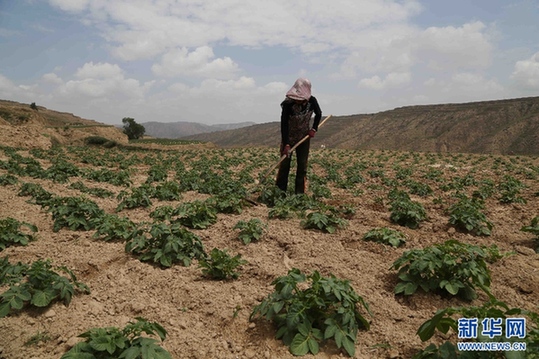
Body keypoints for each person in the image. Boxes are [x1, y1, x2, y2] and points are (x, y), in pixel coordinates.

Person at [276, 78, 322, 194]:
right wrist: (286, 143)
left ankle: (299, 194)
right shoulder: (287, 104)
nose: (297, 101)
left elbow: (319, 113)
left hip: (303, 138)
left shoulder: (312, 101)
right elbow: (284, 125)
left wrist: (314, 128)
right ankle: (280, 192)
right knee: (284, 165)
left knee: (302, 166)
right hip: (289, 138)